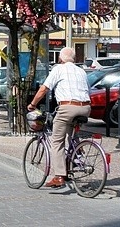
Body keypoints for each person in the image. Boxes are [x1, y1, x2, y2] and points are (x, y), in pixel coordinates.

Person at [27, 46, 91, 188]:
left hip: (67, 107)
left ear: (60, 58)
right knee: (71, 133)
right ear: (73, 59)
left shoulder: (58, 69)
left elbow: (44, 88)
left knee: (57, 141)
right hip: (86, 107)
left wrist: (32, 104)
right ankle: (77, 155)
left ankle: (59, 176)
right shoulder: (82, 71)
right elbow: (89, 90)